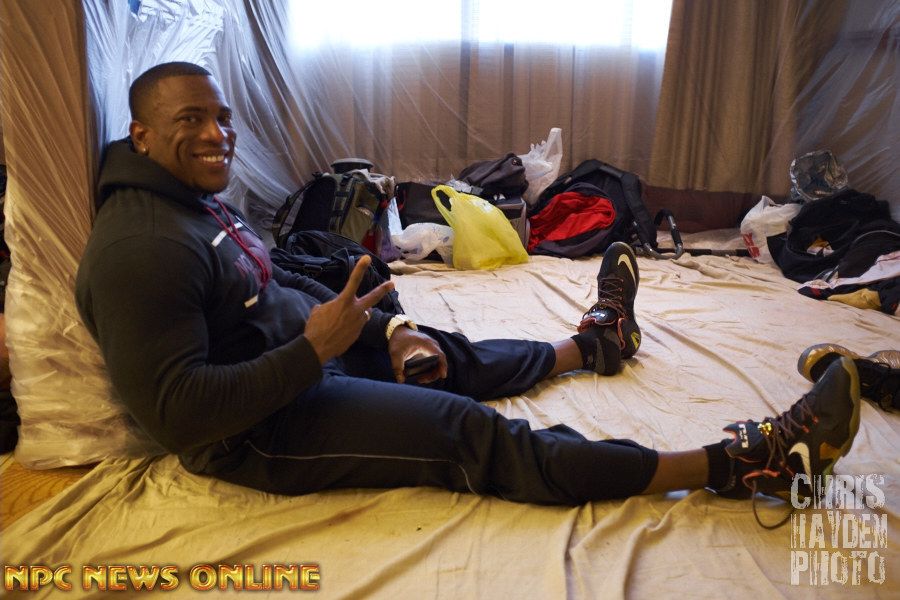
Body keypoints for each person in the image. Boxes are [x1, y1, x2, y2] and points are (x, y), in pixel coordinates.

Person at [75, 62, 869, 526]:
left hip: (302, 359)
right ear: (140, 134)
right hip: (261, 427)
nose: (218, 134)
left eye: (221, 117)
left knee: (445, 356)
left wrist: (385, 330)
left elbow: (274, 277)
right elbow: (180, 416)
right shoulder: (140, 251)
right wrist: (312, 351)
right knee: (471, 434)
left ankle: (594, 344)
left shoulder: (192, 202)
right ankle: (742, 464)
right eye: (192, 119)